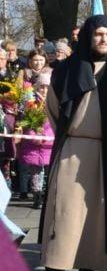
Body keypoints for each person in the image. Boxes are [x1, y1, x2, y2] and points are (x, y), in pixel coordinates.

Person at [37, 15, 107, 271]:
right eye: (98, 34)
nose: (103, 39)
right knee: (63, 211)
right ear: (88, 37)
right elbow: (54, 110)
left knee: (95, 215)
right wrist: (70, 136)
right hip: (74, 147)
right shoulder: (67, 69)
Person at [15, 71, 54, 209]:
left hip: (49, 144)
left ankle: (48, 196)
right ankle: (37, 197)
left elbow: (56, 124)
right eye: (42, 87)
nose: (44, 90)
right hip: (33, 145)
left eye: (47, 87)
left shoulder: (54, 102)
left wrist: (45, 136)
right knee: (36, 174)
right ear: (36, 87)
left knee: (51, 173)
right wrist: (34, 135)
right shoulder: (29, 103)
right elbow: (24, 121)